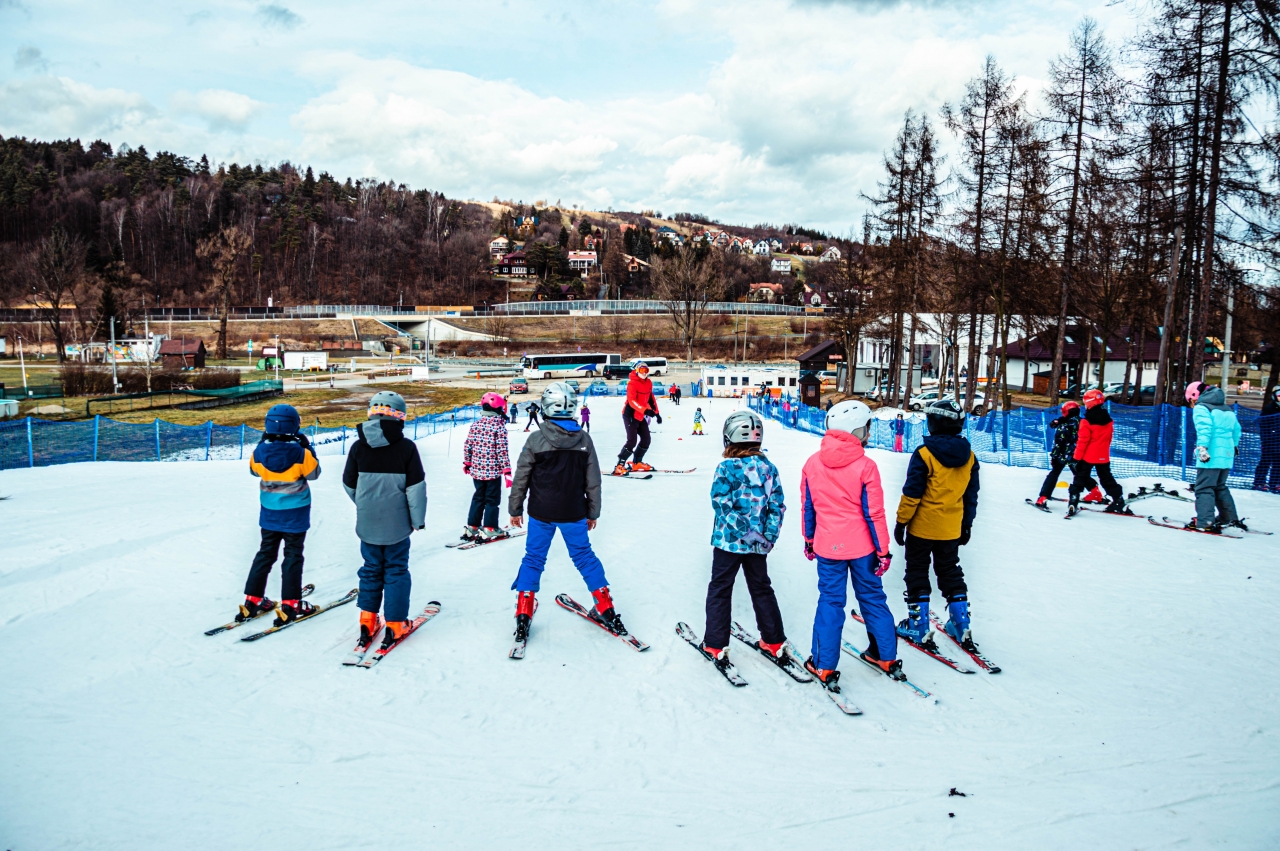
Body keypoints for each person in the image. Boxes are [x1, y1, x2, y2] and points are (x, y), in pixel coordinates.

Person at [508, 382, 625, 644]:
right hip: (574, 512)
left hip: (541, 512)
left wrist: (515, 509)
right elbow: (593, 480)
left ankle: (523, 612)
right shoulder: (584, 439)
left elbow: (521, 479)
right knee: (584, 557)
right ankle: (605, 607)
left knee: (533, 559)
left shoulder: (535, 439)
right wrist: (593, 512)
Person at [800, 400, 898, 690]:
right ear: (857, 430)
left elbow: (809, 508)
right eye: (866, 428)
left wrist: (809, 539)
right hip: (863, 549)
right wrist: (882, 551)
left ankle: (823, 664)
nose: (868, 433)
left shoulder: (812, 463)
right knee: (872, 598)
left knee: (831, 601)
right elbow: (874, 513)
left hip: (828, 547)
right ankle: (884, 656)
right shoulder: (866, 466)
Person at [700, 410, 789, 672]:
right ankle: (773, 640)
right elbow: (777, 506)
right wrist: (766, 537)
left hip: (729, 543)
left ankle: (715, 644)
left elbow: (721, 505)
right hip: (757, 545)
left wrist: (748, 534)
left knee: (720, 588)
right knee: (761, 587)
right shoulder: (768, 468)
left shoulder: (726, 468)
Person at [343, 391, 427, 651]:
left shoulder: (358, 447)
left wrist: (367, 505)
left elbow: (349, 484)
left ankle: (367, 622)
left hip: (367, 523)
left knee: (371, 568)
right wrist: (417, 521)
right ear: (400, 417)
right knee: (396, 570)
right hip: (397, 525)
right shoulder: (406, 448)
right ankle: (395, 624)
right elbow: (416, 489)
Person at [893, 399, 981, 651]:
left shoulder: (924, 453)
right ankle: (961, 622)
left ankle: (918, 626)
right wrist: (967, 524)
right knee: (950, 570)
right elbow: (970, 496)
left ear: (935, 424)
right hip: (950, 528)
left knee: (918, 571)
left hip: (922, 528)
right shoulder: (969, 456)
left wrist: (902, 521)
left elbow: (912, 493)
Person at [239, 404, 321, 626]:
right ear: (295, 426)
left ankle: (253, 599)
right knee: (293, 555)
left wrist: (262, 445)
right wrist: (308, 448)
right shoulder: (301, 453)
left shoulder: (259, 452)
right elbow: (314, 474)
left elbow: (254, 470)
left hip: (270, 513)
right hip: (295, 513)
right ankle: (291, 603)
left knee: (266, 553)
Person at [1186, 381, 1243, 532]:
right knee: (1220, 487)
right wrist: (1234, 446)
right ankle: (1229, 518)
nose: (1192, 404)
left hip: (1211, 454)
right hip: (1226, 454)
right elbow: (1237, 429)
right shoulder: (1226, 408)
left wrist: (1202, 448)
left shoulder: (1201, 408)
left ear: (1195, 395)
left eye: (1191, 400)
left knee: (1204, 488)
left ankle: (1205, 522)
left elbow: (1204, 429)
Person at [1067, 389, 1127, 516]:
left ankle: (1073, 501)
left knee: (1079, 478)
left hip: (1087, 456)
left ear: (1090, 402)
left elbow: (1082, 441)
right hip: (1103, 456)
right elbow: (1109, 438)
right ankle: (1118, 500)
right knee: (1106, 478)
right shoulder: (1109, 420)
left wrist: (1076, 458)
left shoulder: (1086, 421)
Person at [462, 392, 511, 542]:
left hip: (476, 471)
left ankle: (473, 527)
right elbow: (501, 451)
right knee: (491, 500)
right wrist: (507, 471)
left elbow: (468, 445)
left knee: (478, 497)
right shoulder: (499, 427)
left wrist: (467, 462)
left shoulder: (475, 425)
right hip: (492, 473)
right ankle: (490, 528)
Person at [1034, 401, 1096, 508]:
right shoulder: (1083, 422)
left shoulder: (1065, 425)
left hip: (1063, 454)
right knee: (1079, 473)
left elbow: (1059, 442)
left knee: (1054, 473)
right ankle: (1095, 492)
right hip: (1078, 453)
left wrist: (1054, 456)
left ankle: (1043, 497)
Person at [614, 361, 661, 475]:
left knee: (646, 439)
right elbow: (632, 401)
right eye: (642, 370)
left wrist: (657, 413)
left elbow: (651, 398)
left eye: (646, 370)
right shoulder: (632, 384)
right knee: (632, 441)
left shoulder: (648, 383)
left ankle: (637, 462)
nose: (644, 373)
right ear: (636, 371)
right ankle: (619, 465)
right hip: (630, 415)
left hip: (640, 415)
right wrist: (646, 410)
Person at [1253, 385, 1280, 493]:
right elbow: (1264, 426)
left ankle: (1275, 483)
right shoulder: (1269, 409)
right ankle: (1259, 482)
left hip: (1278, 441)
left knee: (1278, 464)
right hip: (1269, 441)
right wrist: (1265, 440)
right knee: (1265, 462)